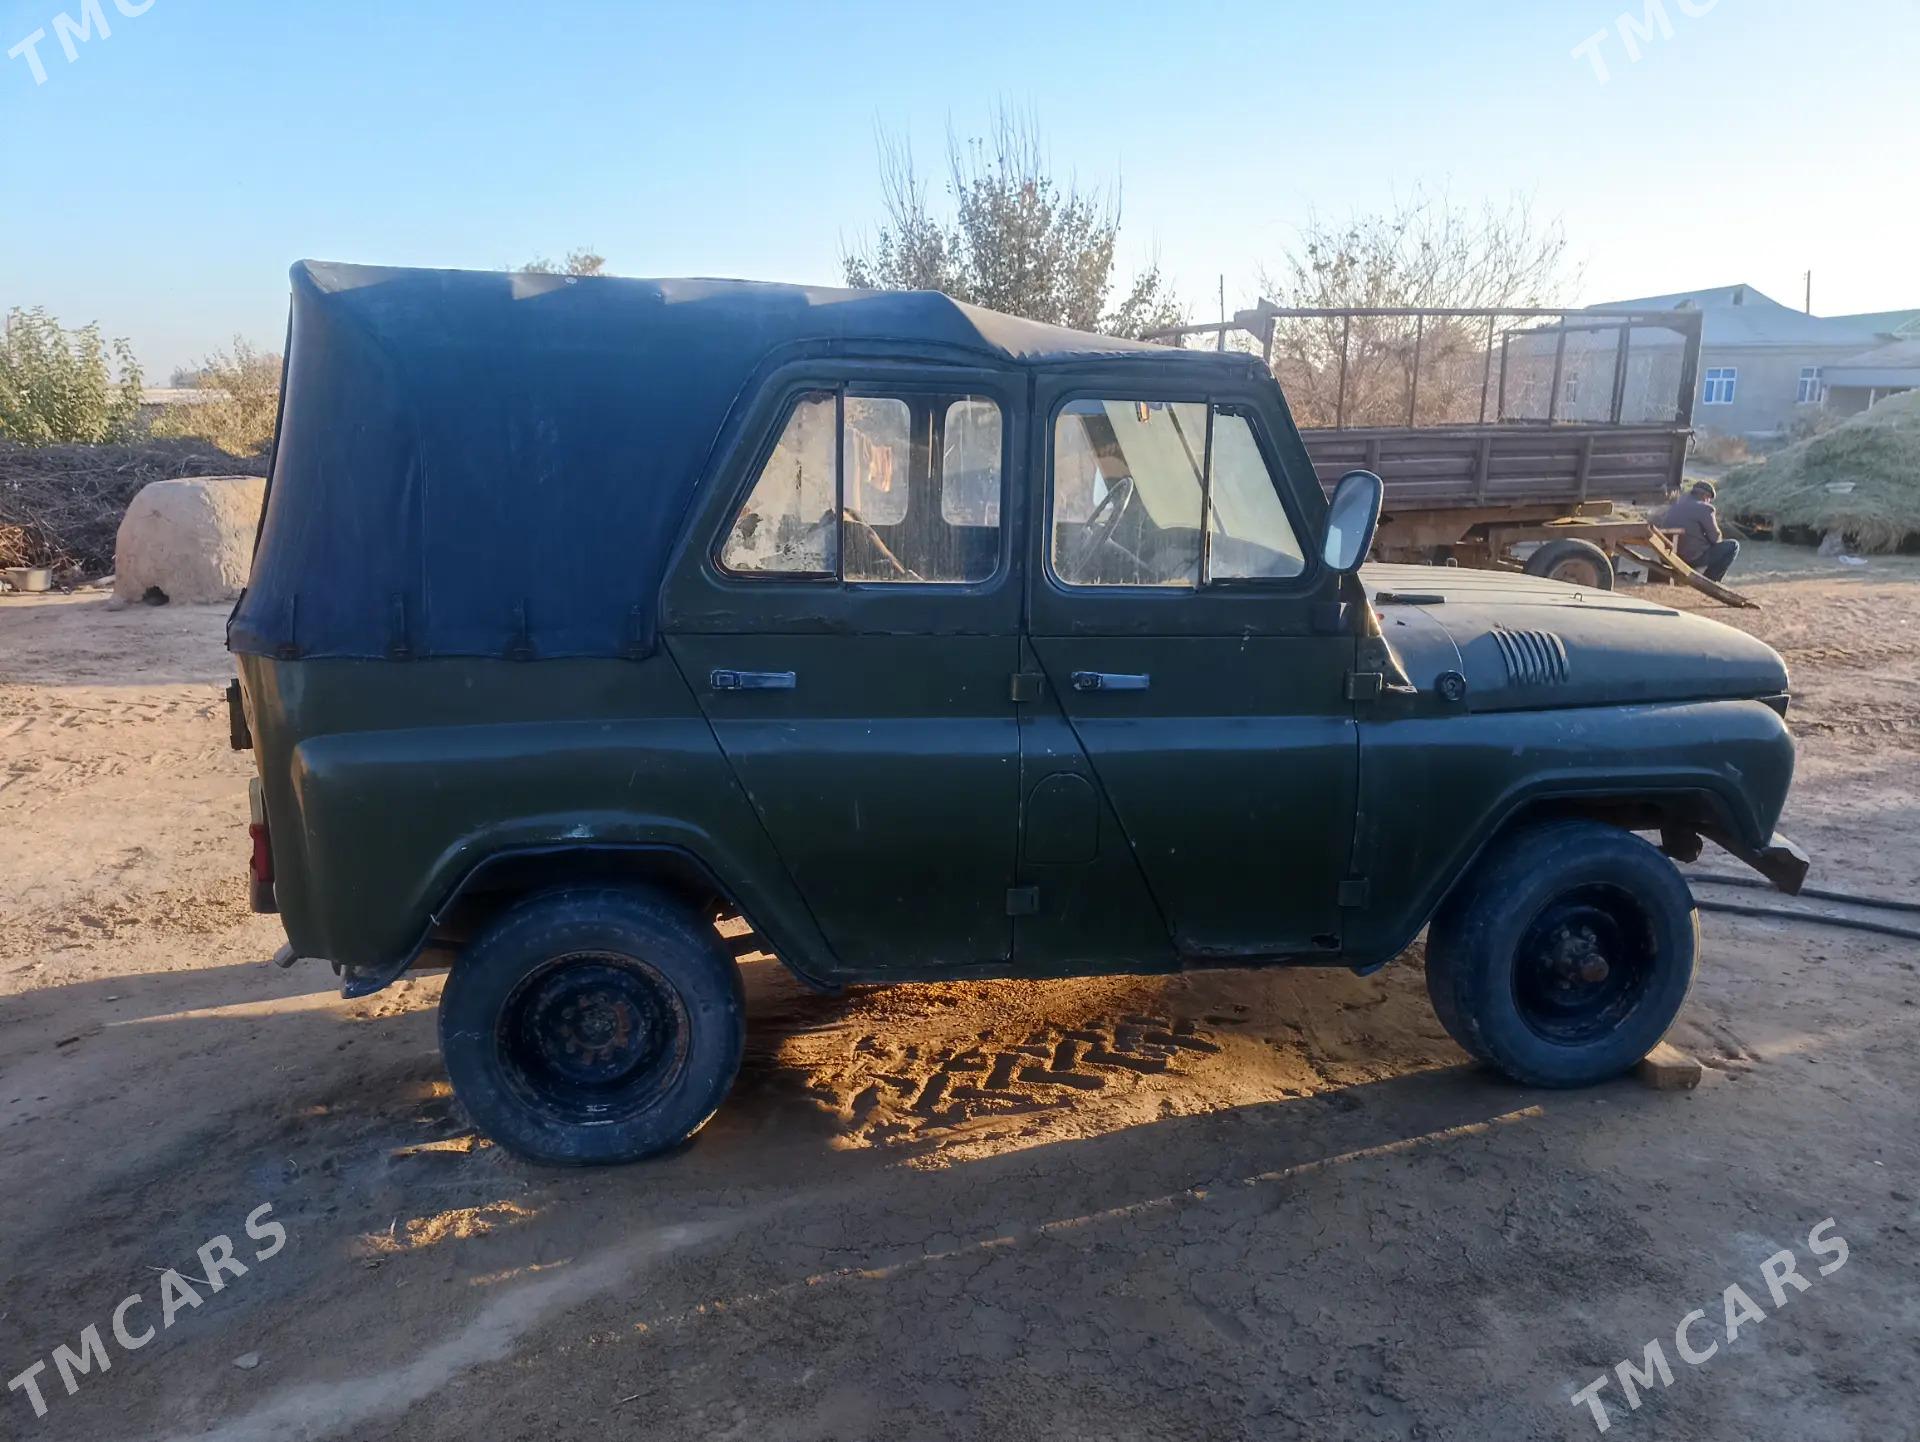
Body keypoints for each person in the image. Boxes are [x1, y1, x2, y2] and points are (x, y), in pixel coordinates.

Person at [1657, 479, 1739, 581]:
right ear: (1705, 496)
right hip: (1692, 557)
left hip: (1670, 554)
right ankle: (1710, 580)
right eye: (1709, 499)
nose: (1709, 501)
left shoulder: (1676, 506)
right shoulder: (1705, 508)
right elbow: (1715, 538)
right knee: (1733, 546)